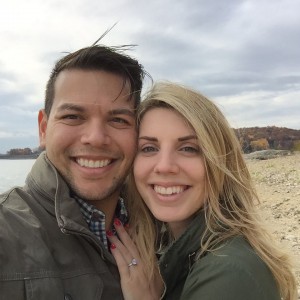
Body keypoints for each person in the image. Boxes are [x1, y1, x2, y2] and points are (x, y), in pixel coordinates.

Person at [108, 82, 298, 300]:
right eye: (149, 148)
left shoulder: (228, 275)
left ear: (219, 161)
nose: (164, 166)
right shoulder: (175, 247)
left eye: (188, 148)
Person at [0, 43, 148, 299]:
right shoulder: (7, 233)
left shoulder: (162, 226)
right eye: (73, 117)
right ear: (44, 128)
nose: (96, 138)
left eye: (118, 120)